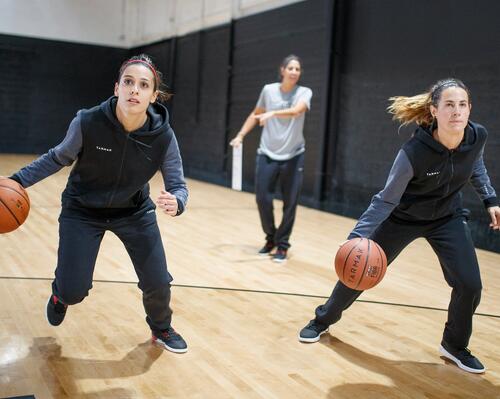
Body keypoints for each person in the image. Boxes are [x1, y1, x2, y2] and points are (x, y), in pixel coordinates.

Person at [298, 78, 500, 373]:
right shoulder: (413, 152)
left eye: (462, 105)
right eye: (449, 105)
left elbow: (476, 166)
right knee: (359, 270)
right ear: (434, 111)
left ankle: (454, 345)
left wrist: (490, 199)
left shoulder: (476, 136)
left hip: (447, 218)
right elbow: (385, 200)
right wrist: (356, 237)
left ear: (469, 109)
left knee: (470, 284)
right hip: (403, 217)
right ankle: (322, 320)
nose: (456, 112)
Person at [7, 54, 189, 353]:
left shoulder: (163, 136)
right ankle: (60, 296)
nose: (134, 90)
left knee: (157, 280)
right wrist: (15, 181)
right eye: (128, 82)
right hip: (82, 210)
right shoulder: (88, 121)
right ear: (117, 87)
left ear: (154, 96)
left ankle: (161, 327)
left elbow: (178, 185)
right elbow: (56, 158)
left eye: (143, 85)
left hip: (134, 211)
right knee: (73, 290)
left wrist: (177, 202)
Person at [229, 54, 312, 263]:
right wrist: (240, 135)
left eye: (298, 69)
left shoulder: (304, 92)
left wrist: (272, 114)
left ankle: (282, 245)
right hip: (267, 153)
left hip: (294, 155)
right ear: (282, 70)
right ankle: (271, 238)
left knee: (290, 202)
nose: (294, 72)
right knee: (262, 198)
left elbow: (297, 111)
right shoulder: (268, 90)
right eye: (291, 68)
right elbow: (255, 114)